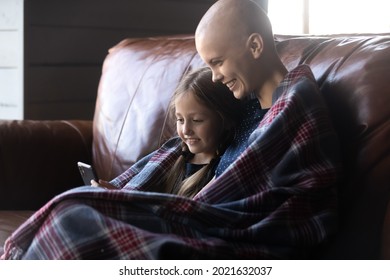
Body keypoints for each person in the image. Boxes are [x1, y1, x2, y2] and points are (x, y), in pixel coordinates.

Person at [2, 0, 341, 260]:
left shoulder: (295, 107)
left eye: (218, 62)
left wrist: (160, 210)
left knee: (73, 220)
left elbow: (280, 202)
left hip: (236, 237)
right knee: (74, 210)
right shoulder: (243, 105)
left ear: (255, 46)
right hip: (200, 218)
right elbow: (189, 153)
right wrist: (125, 193)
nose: (214, 76)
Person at [92, 67, 242, 198]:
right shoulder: (172, 151)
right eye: (180, 120)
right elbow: (129, 184)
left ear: (225, 120)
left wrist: (130, 204)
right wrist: (112, 193)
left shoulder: (223, 168)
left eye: (197, 120)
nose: (185, 130)